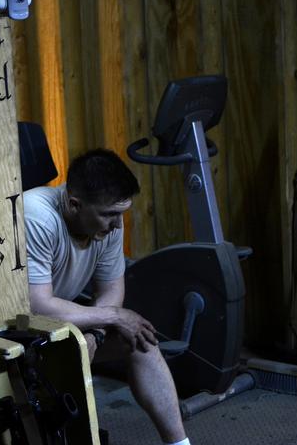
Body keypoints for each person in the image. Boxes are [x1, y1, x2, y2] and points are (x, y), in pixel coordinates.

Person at [25, 148, 190, 445]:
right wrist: (112, 318)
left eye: (121, 213)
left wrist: (97, 336)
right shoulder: (37, 215)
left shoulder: (109, 222)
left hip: (66, 323)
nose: (117, 225)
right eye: (109, 215)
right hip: (22, 333)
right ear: (74, 205)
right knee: (124, 324)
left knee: (141, 340)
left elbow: (111, 289)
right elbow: (38, 306)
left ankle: (180, 444)